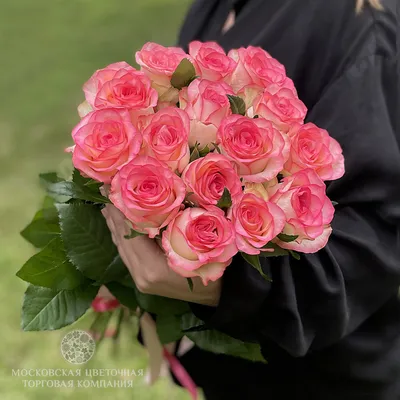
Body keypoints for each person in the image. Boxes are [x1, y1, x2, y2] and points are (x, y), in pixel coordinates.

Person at [102, 0, 400, 398]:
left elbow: (380, 236)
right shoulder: (218, 6)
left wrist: (223, 286)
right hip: (231, 371)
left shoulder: (357, 22)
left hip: (322, 379)